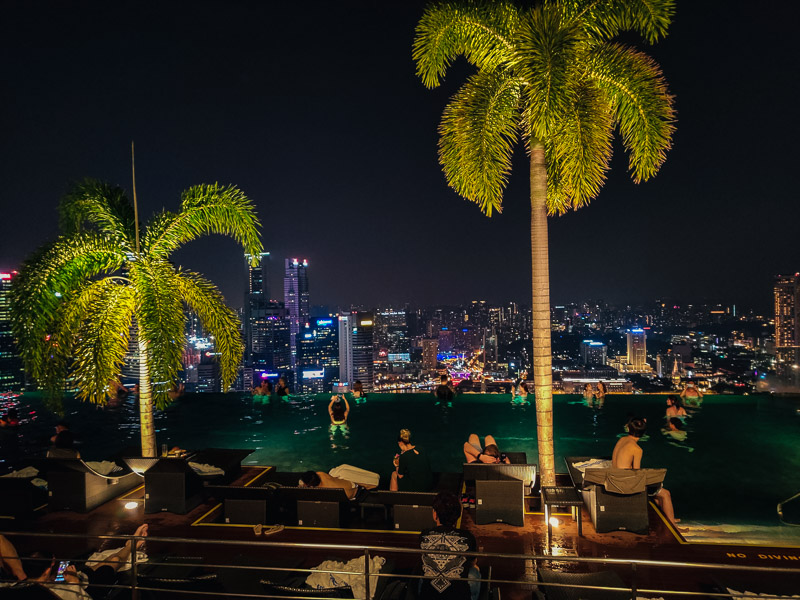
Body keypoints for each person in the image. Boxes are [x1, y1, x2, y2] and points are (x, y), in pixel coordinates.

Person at [1, 524, 148, 599]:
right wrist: (73, 583)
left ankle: (130, 544)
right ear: (47, 568)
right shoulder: (58, 593)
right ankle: (131, 545)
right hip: (87, 589)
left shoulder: (16, 584)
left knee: (104, 562)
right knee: (115, 560)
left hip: (75, 579)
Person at [612, 417, 678, 523]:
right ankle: (674, 526)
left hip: (615, 478)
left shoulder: (622, 439)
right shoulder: (637, 449)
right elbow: (637, 472)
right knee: (665, 493)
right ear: (643, 433)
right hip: (625, 483)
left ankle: (668, 519)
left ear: (629, 429)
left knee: (656, 493)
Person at [418, 491, 479, 600]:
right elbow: (473, 562)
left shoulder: (424, 535)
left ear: (435, 514)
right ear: (458, 514)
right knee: (474, 571)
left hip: (428, 596)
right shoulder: (468, 537)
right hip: (459, 596)